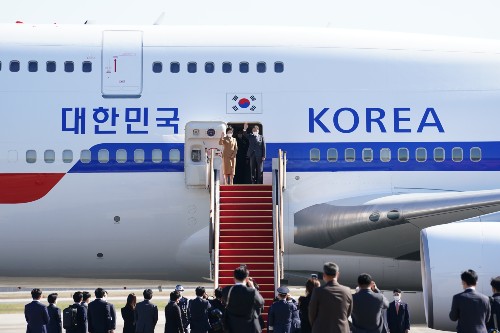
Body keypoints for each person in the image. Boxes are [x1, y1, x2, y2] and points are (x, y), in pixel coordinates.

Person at [308, 262, 352, 333]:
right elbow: (348, 313)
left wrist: (317, 326)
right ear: (337, 274)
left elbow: (312, 314)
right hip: (341, 329)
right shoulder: (347, 291)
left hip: (321, 329)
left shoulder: (317, 291)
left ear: (324, 275)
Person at [222, 265, 265, 333]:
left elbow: (224, 302)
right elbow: (261, 302)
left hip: (232, 327)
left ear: (234, 278)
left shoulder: (226, 290)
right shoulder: (251, 291)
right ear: (247, 278)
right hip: (249, 327)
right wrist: (253, 287)